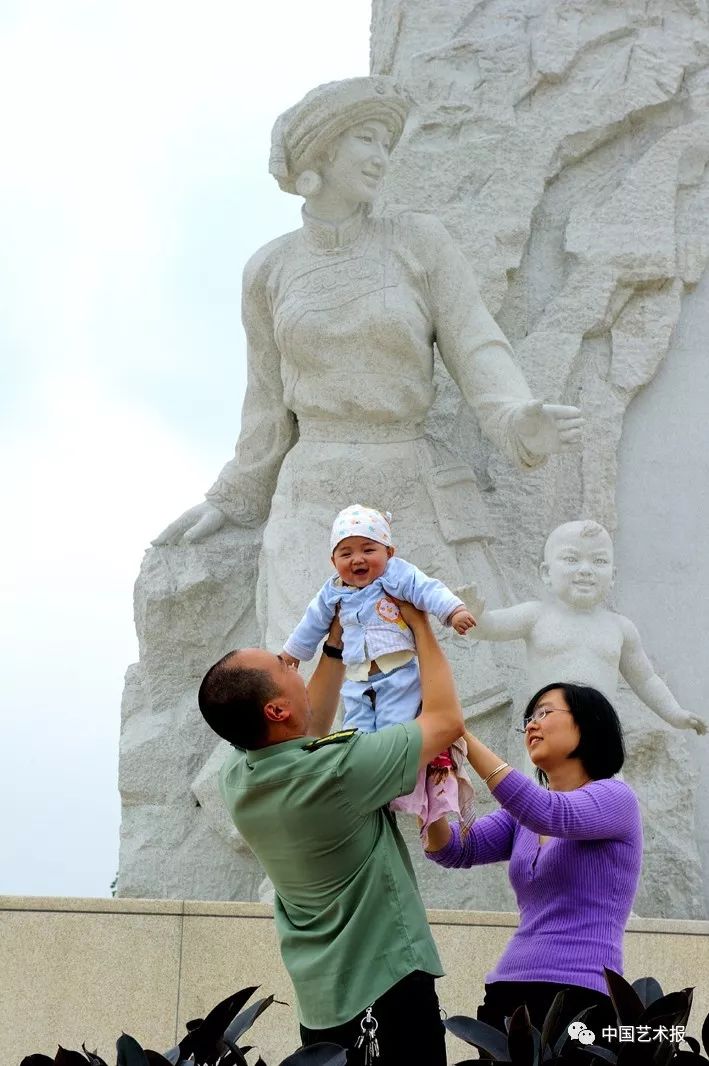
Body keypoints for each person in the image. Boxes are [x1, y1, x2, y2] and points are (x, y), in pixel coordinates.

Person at [154, 75, 583, 713]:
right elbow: (267, 402)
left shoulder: (418, 242)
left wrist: (518, 419)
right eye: (365, 139)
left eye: (386, 141)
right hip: (313, 499)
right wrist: (233, 496)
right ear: (319, 156)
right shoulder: (268, 270)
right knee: (306, 699)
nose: (381, 156)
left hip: (407, 483)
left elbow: (476, 344)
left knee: (448, 698)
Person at [198, 602, 464, 1064]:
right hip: (388, 994)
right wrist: (420, 626)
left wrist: (336, 645)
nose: (288, 662)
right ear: (276, 708)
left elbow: (307, 728)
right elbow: (445, 723)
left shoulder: (238, 777)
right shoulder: (340, 771)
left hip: (321, 1005)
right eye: (281, 666)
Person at [425, 681, 643, 1035]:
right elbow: (453, 849)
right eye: (529, 717)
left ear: (588, 723)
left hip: (579, 996)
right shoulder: (521, 818)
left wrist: (460, 735)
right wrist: (430, 784)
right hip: (507, 993)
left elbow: (549, 812)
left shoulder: (616, 799)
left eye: (545, 712)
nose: (531, 724)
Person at [282, 504, 477, 839]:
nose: (357, 559)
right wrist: (292, 653)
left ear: (389, 552)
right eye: (346, 553)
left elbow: (428, 589)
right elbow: (312, 623)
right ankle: (363, 779)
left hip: (397, 672)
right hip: (357, 676)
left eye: (368, 550)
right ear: (333, 561)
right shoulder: (333, 591)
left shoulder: (396, 576)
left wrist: (453, 611)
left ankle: (395, 786)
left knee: (392, 729)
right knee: (356, 730)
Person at [459, 520, 707, 733]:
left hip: (600, 733)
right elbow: (490, 628)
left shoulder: (619, 628)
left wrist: (675, 714)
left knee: (606, 785)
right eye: (571, 559)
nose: (586, 570)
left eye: (599, 561)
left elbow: (645, 680)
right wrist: (475, 616)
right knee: (544, 786)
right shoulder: (536, 615)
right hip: (546, 733)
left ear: (612, 576)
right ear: (546, 573)